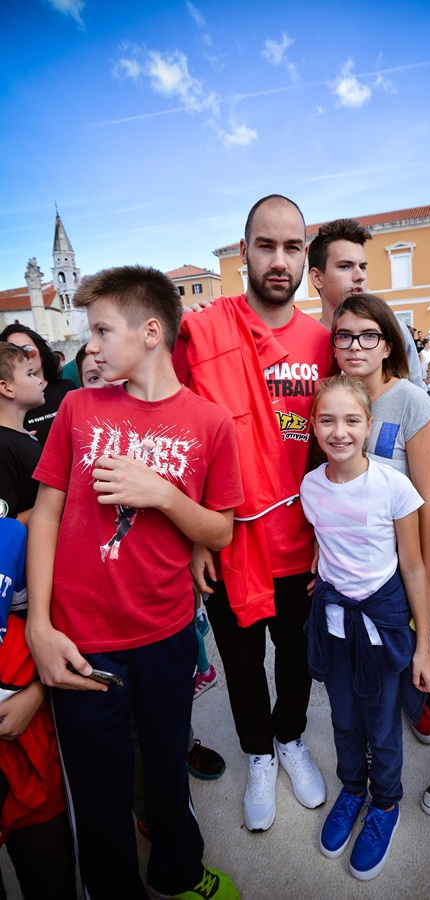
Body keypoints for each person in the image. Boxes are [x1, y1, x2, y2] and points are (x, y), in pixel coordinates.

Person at [25, 265, 243, 899]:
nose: (86, 345)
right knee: (98, 788)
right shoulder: (78, 408)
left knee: (167, 763)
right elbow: (46, 514)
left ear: (151, 332)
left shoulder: (210, 423)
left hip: (166, 633)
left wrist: (163, 495)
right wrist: (39, 624)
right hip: (82, 638)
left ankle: (177, 872)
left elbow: (221, 530)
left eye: (100, 329)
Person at [173, 195, 330, 833]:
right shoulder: (205, 330)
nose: (279, 259)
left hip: (302, 539)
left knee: (296, 656)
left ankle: (290, 740)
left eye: (292, 247)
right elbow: (180, 437)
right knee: (240, 662)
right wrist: (195, 539)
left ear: (305, 259)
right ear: (244, 252)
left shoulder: (325, 341)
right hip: (230, 539)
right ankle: (258, 753)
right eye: (266, 245)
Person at [331, 292, 430, 815]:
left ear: (388, 342)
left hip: (415, 567)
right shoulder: (333, 400)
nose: (354, 346)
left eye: (367, 335)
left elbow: (427, 502)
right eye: (343, 335)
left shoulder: (411, 400)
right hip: (361, 574)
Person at [301, 375, 430, 880]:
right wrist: (323, 568)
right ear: (313, 426)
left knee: (382, 726)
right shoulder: (310, 485)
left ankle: (385, 804)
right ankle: (352, 790)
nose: (340, 432)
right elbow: (327, 539)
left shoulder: (393, 486)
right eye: (328, 420)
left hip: (379, 631)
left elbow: (414, 566)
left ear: (370, 425)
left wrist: (424, 646)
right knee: (343, 720)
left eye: (352, 420)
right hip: (335, 627)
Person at [0, 519, 76, 900]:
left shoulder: (11, 537)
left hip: (31, 749)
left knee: (49, 871)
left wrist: (38, 690)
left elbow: (47, 626)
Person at [307, 218, 424, 387]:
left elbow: (418, 400)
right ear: (317, 277)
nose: (360, 276)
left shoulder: (393, 329)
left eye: (362, 267)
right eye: (345, 266)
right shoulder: (310, 341)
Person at [0, 325, 76, 445]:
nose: (23, 356)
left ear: (40, 350)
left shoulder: (66, 388)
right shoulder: (13, 403)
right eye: (14, 351)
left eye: (28, 350)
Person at [0, 342, 45, 524]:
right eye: (29, 374)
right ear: (6, 388)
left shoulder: (21, 437)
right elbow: (7, 525)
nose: (39, 380)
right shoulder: (3, 446)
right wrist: (60, 499)